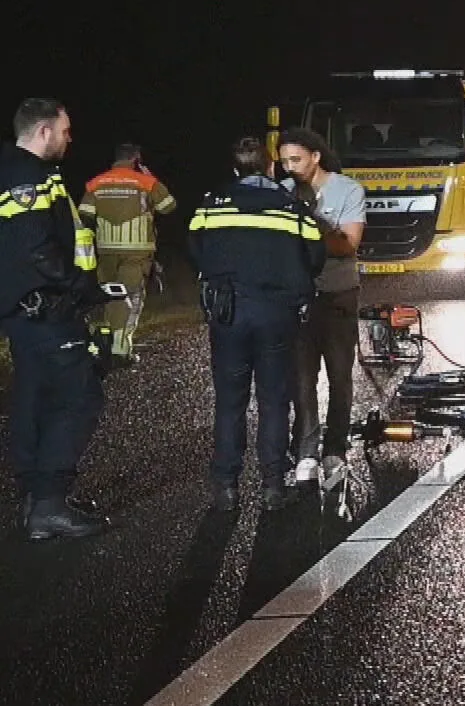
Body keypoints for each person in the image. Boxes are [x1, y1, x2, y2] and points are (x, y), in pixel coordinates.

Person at [189, 137, 325, 512]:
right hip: (275, 313)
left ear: (234, 170)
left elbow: (195, 250)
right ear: (270, 168)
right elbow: (315, 255)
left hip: (228, 313)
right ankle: (271, 487)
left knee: (230, 403)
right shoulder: (291, 206)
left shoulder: (211, 204)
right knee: (273, 400)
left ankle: (226, 488)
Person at [0, 98, 112, 539]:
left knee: (34, 399)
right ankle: (48, 503)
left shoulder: (10, 169)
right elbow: (35, 246)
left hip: (23, 311)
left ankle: (35, 501)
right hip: (47, 308)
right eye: (65, 131)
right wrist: (77, 287)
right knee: (78, 398)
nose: (70, 139)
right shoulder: (29, 175)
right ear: (43, 131)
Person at [277, 128, 366, 488]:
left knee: (340, 376)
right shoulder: (282, 193)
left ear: (315, 156)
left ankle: (335, 448)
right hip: (297, 297)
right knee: (300, 378)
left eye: (295, 159)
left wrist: (306, 225)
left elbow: (348, 244)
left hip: (338, 294)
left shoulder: (348, 190)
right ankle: (306, 451)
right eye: (283, 161)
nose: (289, 167)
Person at [79, 143, 178, 362]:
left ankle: (105, 341)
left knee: (111, 294)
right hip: (137, 251)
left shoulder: (97, 183)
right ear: (136, 160)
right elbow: (169, 205)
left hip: (106, 250)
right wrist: (150, 177)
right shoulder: (146, 182)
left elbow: (84, 214)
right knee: (130, 297)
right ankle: (121, 349)